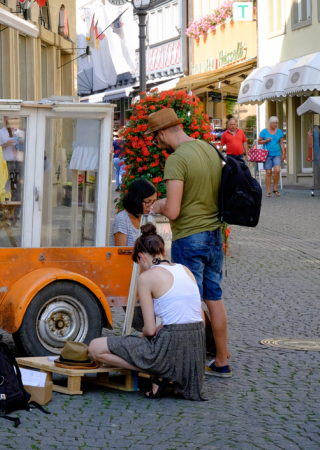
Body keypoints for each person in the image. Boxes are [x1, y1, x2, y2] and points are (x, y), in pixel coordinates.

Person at [148, 108, 231, 378]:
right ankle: (221, 360)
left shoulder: (177, 159)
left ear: (162, 133)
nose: (156, 143)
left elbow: (173, 211)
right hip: (214, 235)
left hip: (189, 237)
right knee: (214, 298)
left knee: (191, 302)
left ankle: (192, 365)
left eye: (155, 138)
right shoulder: (208, 149)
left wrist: (158, 205)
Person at [90, 223, 206, 401]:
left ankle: (160, 372)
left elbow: (150, 330)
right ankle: (173, 372)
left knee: (95, 348)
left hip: (168, 346)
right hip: (195, 348)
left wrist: (139, 339)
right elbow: (199, 318)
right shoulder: (185, 270)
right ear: (163, 252)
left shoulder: (146, 277)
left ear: (141, 257)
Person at [109, 179, 157, 246]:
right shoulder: (122, 219)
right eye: (148, 202)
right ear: (136, 200)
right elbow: (121, 251)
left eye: (154, 202)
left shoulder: (148, 218)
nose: (151, 206)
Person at [258, 116, 287, 197]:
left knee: (277, 171)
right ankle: (268, 191)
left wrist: (284, 153)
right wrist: (266, 141)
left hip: (277, 154)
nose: (275, 124)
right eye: (274, 123)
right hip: (267, 155)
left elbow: (282, 143)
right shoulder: (264, 131)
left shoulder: (279, 131)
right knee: (268, 172)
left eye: (276, 123)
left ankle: (275, 188)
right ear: (270, 123)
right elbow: (259, 142)